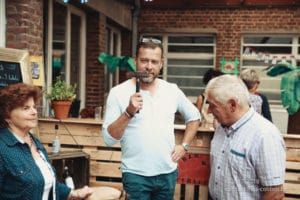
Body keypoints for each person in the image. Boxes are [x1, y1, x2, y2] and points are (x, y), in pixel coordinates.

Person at [102, 38, 200, 200]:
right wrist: (128, 112)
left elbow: (194, 117)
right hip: (135, 175)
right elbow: (108, 139)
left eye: (154, 62)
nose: (149, 66)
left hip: (167, 174)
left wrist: (184, 145)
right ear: (135, 61)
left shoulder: (171, 90)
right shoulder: (118, 92)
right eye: (144, 61)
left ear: (161, 63)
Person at [0, 83, 93, 200]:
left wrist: (74, 194)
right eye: (26, 108)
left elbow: (48, 183)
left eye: (34, 107)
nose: (34, 112)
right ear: (7, 115)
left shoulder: (35, 142)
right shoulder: (2, 149)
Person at [205, 75, 286, 200]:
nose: (209, 111)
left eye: (212, 105)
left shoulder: (265, 135)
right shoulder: (222, 126)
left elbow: (274, 193)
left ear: (232, 105)